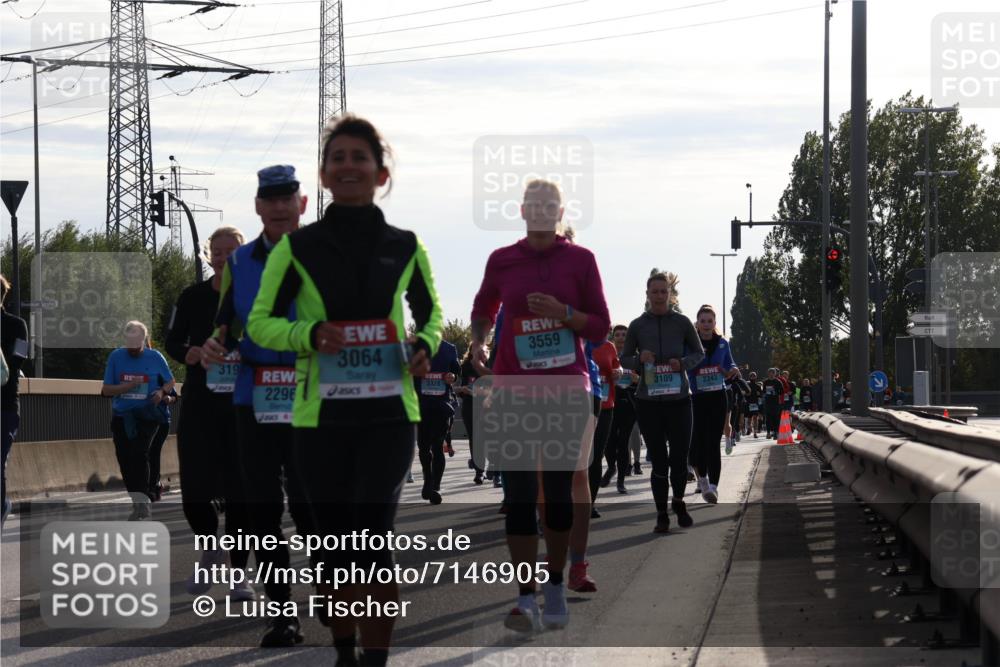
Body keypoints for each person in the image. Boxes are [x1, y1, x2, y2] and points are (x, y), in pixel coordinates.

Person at [247, 114, 442, 667]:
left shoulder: (406, 245)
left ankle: (375, 662)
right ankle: (344, 650)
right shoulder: (298, 248)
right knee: (334, 550)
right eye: (338, 158)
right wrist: (308, 334)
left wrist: (423, 345)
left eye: (361, 157)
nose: (349, 166)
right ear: (325, 176)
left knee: (374, 539)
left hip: (388, 413)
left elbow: (429, 314)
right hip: (319, 418)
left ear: (381, 173)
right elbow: (260, 324)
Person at [469, 178, 610, 632]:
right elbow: (483, 306)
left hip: (566, 391)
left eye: (551, 204)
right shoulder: (502, 260)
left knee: (557, 495)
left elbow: (601, 328)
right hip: (514, 390)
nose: (542, 210)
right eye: (535, 203)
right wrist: (478, 340)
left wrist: (563, 313)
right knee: (519, 496)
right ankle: (524, 597)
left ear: (560, 211)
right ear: (523, 210)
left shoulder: (581, 261)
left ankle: (554, 583)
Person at [202, 165, 314, 647]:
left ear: (302, 203)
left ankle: (331, 582)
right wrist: (213, 344)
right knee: (263, 508)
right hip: (255, 395)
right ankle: (282, 615)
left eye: (288, 197)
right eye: (271, 199)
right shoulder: (242, 262)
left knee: (312, 505)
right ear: (258, 206)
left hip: (313, 394)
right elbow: (225, 322)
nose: (280, 206)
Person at [166, 226, 253, 597]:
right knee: (195, 493)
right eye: (216, 252)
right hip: (201, 403)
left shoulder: (257, 298)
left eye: (230, 251)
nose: (222, 257)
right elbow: (172, 339)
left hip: (242, 406)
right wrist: (188, 352)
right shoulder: (192, 296)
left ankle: (239, 574)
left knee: (240, 494)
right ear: (208, 255)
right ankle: (209, 549)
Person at [621, 271, 704, 533]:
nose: (659, 296)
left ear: (670, 294)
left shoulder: (681, 323)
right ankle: (661, 514)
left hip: (679, 400)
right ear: (647, 295)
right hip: (649, 402)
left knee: (679, 459)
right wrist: (638, 359)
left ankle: (678, 501)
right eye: (654, 291)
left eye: (663, 291)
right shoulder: (637, 325)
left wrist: (682, 364)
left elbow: (698, 352)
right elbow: (624, 358)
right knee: (658, 460)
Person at [101, 321, 175, 520]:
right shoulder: (116, 357)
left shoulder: (155, 357)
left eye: (137, 342)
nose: (133, 347)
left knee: (140, 454)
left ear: (144, 339)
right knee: (125, 460)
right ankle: (137, 502)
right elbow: (106, 390)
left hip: (147, 415)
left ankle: (143, 503)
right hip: (122, 416)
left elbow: (170, 381)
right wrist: (128, 386)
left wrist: (161, 391)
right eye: (129, 341)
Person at [688, 305, 739, 503]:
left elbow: (730, 363)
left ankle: (714, 487)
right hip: (697, 398)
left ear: (715, 323)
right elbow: (686, 365)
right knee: (699, 443)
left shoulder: (723, 343)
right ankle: (702, 479)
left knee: (712, 444)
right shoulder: (691, 344)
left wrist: (733, 370)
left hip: (718, 396)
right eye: (703, 321)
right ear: (697, 324)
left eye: (710, 321)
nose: (707, 325)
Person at [414, 340, 460, 504]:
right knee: (424, 448)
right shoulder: (415, 347)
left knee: (438, 446)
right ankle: (428, 481)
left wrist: (452, 377)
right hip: (421, 405)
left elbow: (456, 372)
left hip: (442, 406)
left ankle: (435, 486)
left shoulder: (449, 349)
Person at [1, 275, 28, 523]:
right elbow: (20, 358)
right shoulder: (20, 325)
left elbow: (18, 361)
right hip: (9, 404)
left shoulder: (16, 325)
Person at [604, 325, 639, 489]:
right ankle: (611, 467)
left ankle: (621, 481)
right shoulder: (607, 353)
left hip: (629, 402)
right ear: (613, 337)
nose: (621, 337)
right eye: (617, 334)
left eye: (624, 334)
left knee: (623, 441)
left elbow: (647, 380)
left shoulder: (634, 356)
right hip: (610, 401)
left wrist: (635, 378)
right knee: (609, 440)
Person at [762, 368, 783, 439]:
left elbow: (782, 391)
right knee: (768, 418)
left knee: (776, 418)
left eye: (772, 373)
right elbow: (763, 391)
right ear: (768, 374)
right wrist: (765, 394)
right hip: (768, 402)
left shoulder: (778, 381)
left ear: (775, 374)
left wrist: (775, 392)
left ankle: (776, 432)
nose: (771, 374)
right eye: (770, 373)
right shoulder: (766, 382)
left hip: (776, 402)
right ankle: (768, 433)